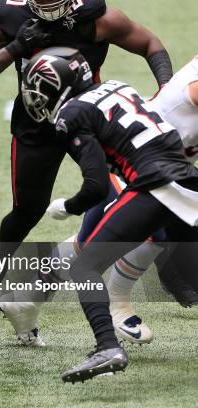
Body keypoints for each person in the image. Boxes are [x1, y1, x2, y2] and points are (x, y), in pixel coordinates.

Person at [0, 0, 174, 304]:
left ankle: (171, 273)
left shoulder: (96, 17)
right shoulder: (13, 14)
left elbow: (149, 43)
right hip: (36, 122)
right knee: (27, 210)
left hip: (90, 120)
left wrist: (165, 89)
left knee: (142, 188)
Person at [21, 47, 198, 382]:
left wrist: (67, 206)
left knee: (85, 264)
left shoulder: (71, 115)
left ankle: (107, 347)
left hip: (156, 184)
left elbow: (97, 186)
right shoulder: (121, 86)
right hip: (187, 180)